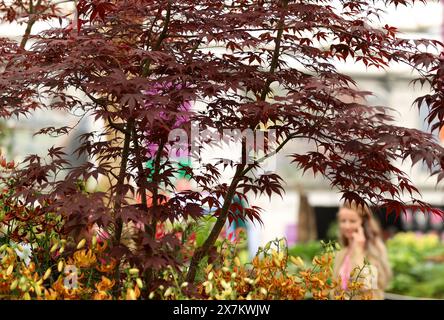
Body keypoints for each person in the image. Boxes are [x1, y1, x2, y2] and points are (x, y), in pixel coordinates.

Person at [332, 201, 392, 300]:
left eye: (352, 221)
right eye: (343, 221)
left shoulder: (375, 250)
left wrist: (358, 252)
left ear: (363, 222)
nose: (347, 226)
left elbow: (369, 286)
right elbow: (336, 287)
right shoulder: (343, 252)